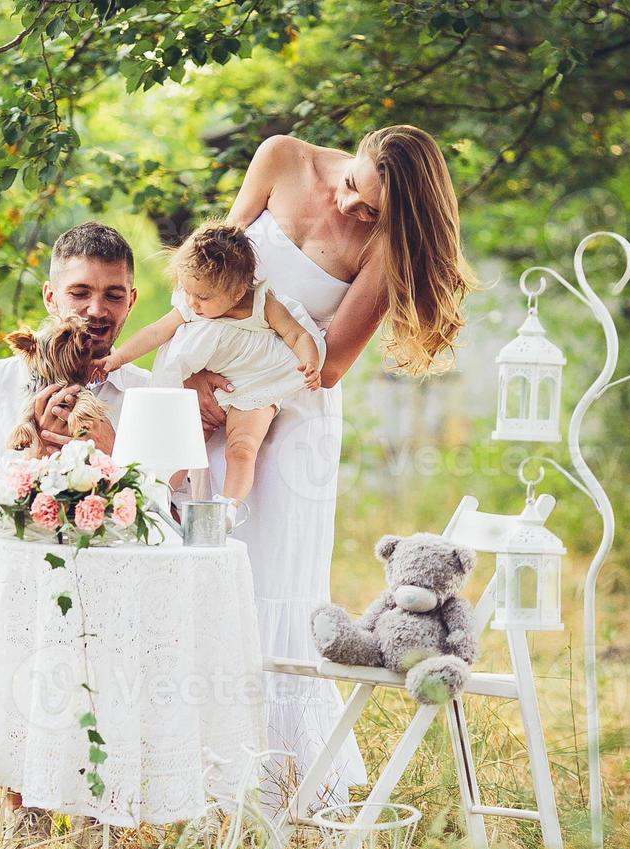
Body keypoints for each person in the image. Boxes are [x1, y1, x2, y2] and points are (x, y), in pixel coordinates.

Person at [170, 125, 475, 810]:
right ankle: (185, 766)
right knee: (194, 556)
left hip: (293, 420)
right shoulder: (281, 159)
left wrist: (247, 393)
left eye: (372, 214)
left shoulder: (389, 247)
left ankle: (273, 783)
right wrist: (193, 381)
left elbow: (330, 363)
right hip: (207, 387)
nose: (350, 212)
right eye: (351, 189)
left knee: (267, 576)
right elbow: (208, 267)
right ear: (352, 157)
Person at [0, 221, 152, 682]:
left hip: (124, 586)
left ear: (132, 301)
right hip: (11, 585)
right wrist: (27, 461)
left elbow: (171, 524)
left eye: (114, 295)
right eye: (80, 292)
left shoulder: (149, 395)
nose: (97, 309)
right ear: (50, 298)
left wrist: (112, 451)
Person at [95, 222, 321, 523]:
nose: (191, 302)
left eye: (202, 296)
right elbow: (155, 332)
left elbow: (297, 335)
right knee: (183, 442)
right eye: (187, 291)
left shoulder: (263, 304)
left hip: (255, 386)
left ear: (238, 291)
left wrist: (310, 362)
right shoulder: (190, 306)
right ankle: (156, 498)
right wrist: (118, 358)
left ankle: (228, 507)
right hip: (213, 387)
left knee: (242, 447)